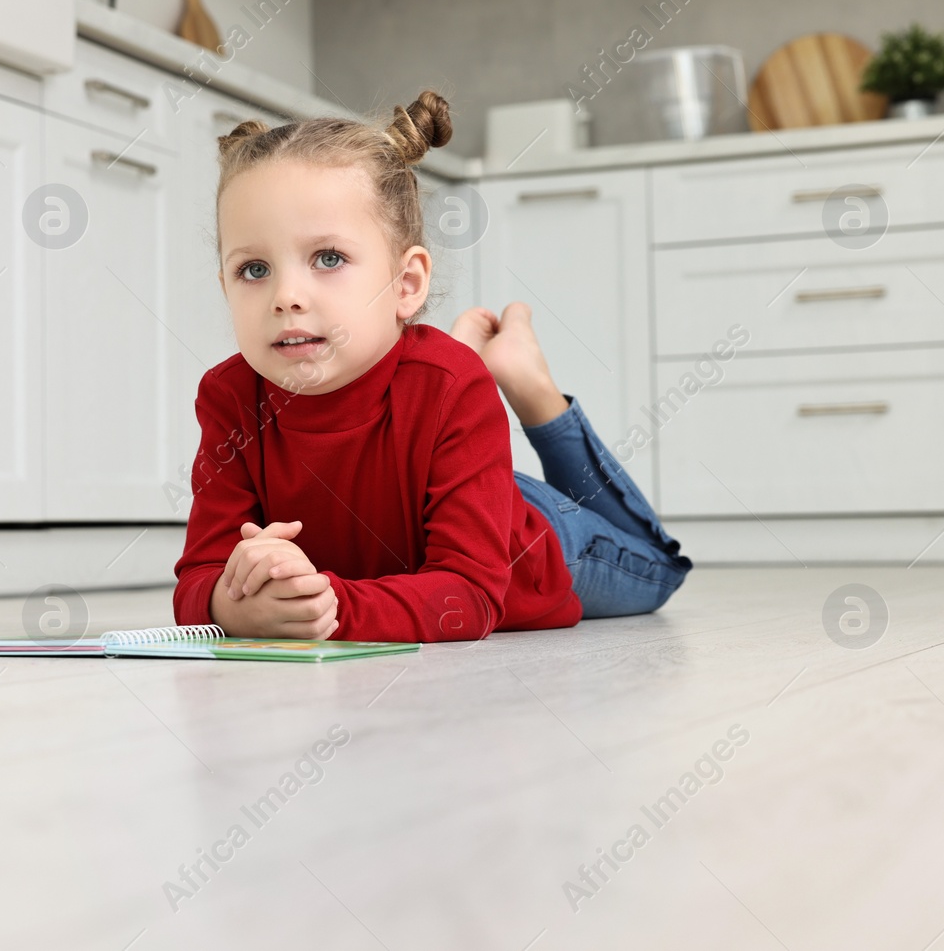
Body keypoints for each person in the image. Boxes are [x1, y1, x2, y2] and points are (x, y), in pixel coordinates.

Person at [170, 89, 692, 643]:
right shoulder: (229, 396)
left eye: (328, 259)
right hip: (444, 477)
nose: (286, 296)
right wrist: (230, 606)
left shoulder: (451, 386)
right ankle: (479, 408)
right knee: (448, 402)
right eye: (253, 269)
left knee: (660, 570)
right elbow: (198, 578)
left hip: (534, 543)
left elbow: (468, 593)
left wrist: (331, 607)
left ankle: (532, 391)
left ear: (407, 283)